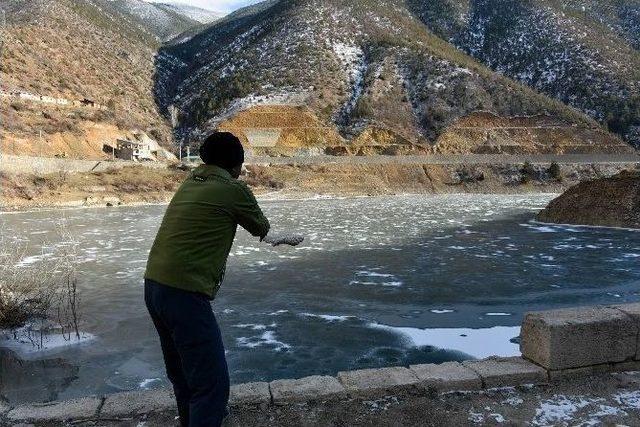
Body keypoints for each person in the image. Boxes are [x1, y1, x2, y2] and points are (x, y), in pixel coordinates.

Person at [144, 132, 270, 427]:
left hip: (153, 287)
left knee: (183, 375)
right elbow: (261, 225)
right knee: (212, 384)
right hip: (184, 294)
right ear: (237, 164)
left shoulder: (189, 182)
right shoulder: (233, 190)